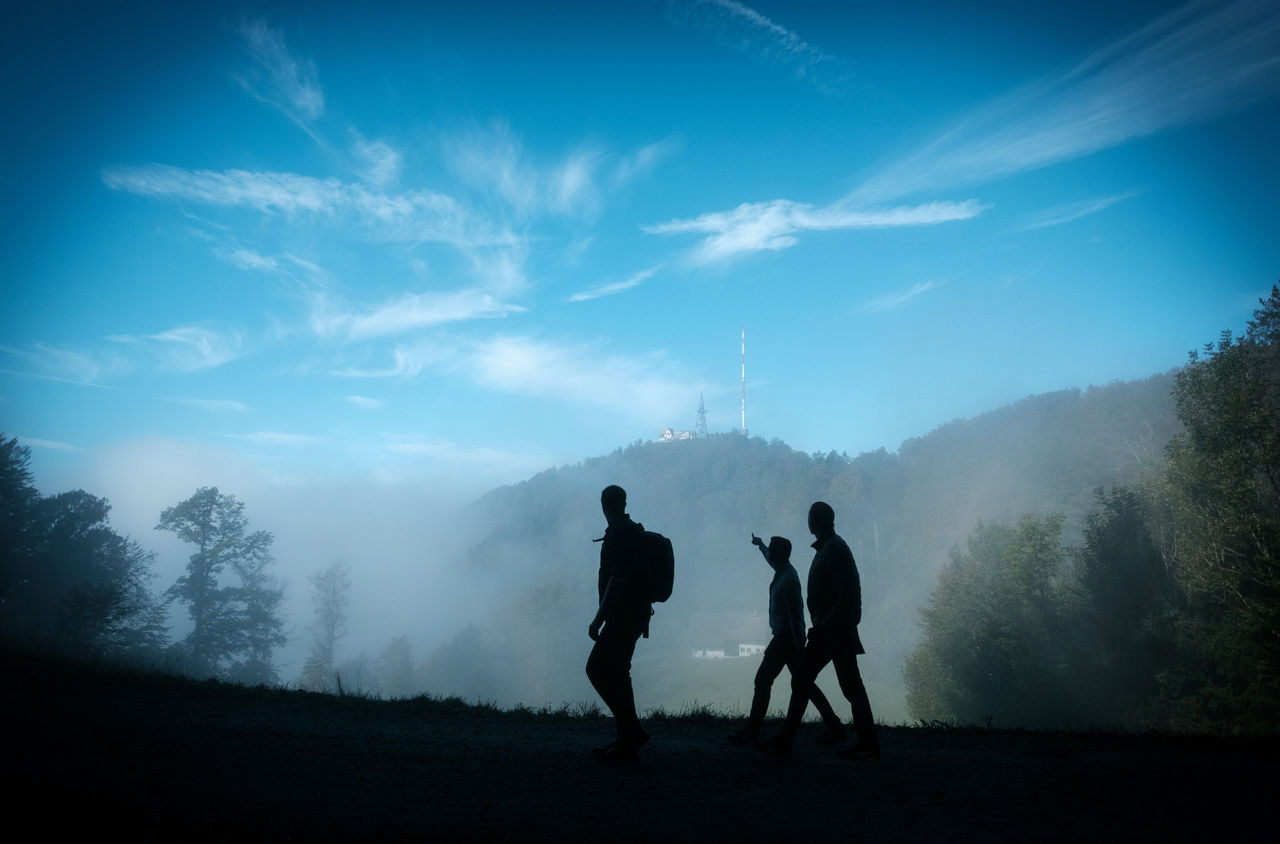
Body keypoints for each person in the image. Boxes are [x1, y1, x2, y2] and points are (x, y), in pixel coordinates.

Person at [758, 501, 880, 760]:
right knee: (849, 686)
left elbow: (845, 593)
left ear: (815, 522)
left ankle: (786, 740)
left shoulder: (833, 549)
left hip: (831, 631)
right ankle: (865, 742)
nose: (808, 522)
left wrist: (824, 625)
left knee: (804, 679)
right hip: (834, 630)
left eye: (810, 517)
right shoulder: (831, 547)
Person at [728, 533, 846, 746]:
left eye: (772, 549)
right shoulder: (784, 572)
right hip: (788, 639)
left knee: (763, 680)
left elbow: (796, 617)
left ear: (779, 554)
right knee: (805, 684)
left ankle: (752, 730)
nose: (769, 553)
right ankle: (835, 725)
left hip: (785, 640)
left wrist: (800, 645)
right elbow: (770, 558)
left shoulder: (787, 580)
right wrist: (761, 544)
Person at [586, 484, 652, 762]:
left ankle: (632, 731)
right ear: (624, 503)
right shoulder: (633, 529)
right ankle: (625, 740)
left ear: (604, 505)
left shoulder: (618, 533)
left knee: (597, 669)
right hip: (636, 615)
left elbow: (617, 580)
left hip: (622, 616)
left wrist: (597, 619)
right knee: (619, 673)